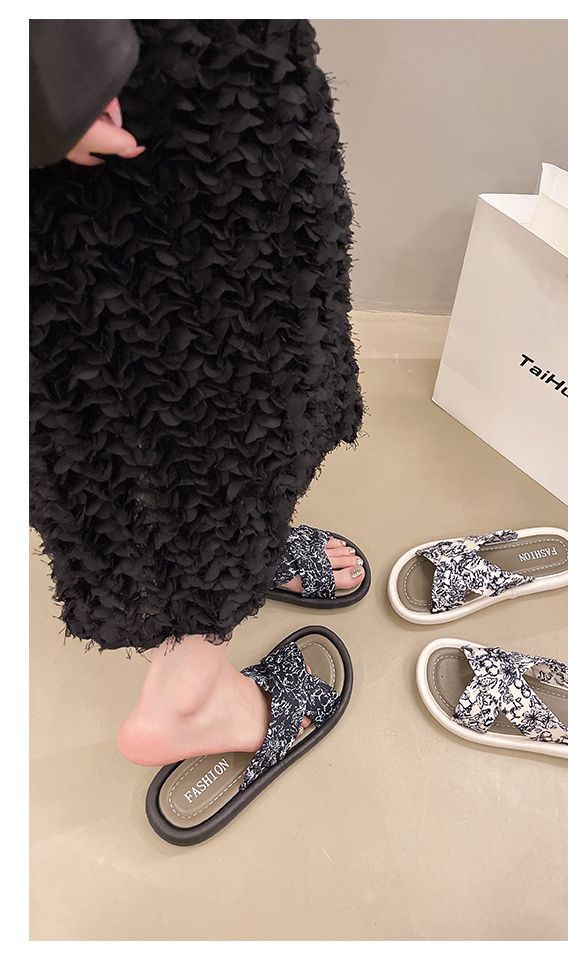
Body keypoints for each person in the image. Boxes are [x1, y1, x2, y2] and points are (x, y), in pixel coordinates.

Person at [29, 19, 366, 770]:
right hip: (126, 87)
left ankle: (237, 557)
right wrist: (39, 80)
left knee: (224, 365)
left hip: (156, 57)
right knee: (177, 379)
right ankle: (187, 697)